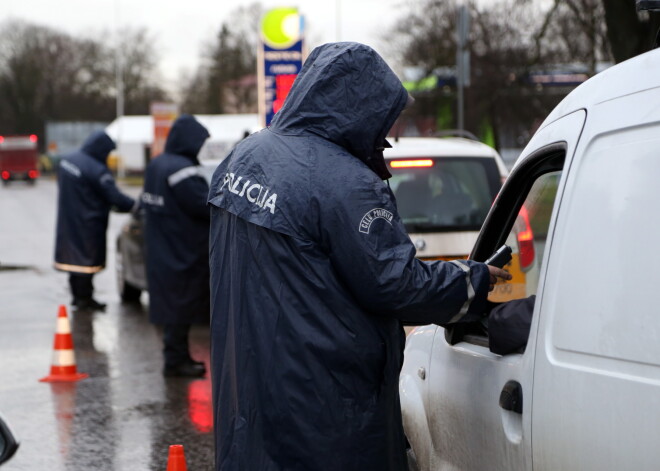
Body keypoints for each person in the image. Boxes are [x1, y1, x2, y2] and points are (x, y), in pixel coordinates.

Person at [207, 42, 511, 471]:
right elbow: (397, 286)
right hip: (324, 405)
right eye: (385, 117)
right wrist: (472, 280)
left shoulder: (245, 158)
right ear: (360, 108)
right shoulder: (347, 183)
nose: (388, 132)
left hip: (248, 390)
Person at [141, 114, 211, 378]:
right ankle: (176, 362)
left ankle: (176, 357)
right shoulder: (181, 170)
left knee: (172, 305)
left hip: (162, 245)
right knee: (181, 306)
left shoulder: (157, 164)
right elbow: (204, 204)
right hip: (184, 247)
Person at [54, 130, 136, 311]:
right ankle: (84, 298)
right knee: (85, 262)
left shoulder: (67, 160)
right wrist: (135, 206)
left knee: (73, 260)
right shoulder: (96, 170)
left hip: (69, 220)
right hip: (88, 223)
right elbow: (114, 197)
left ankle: (78, 296)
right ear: (101, 149)